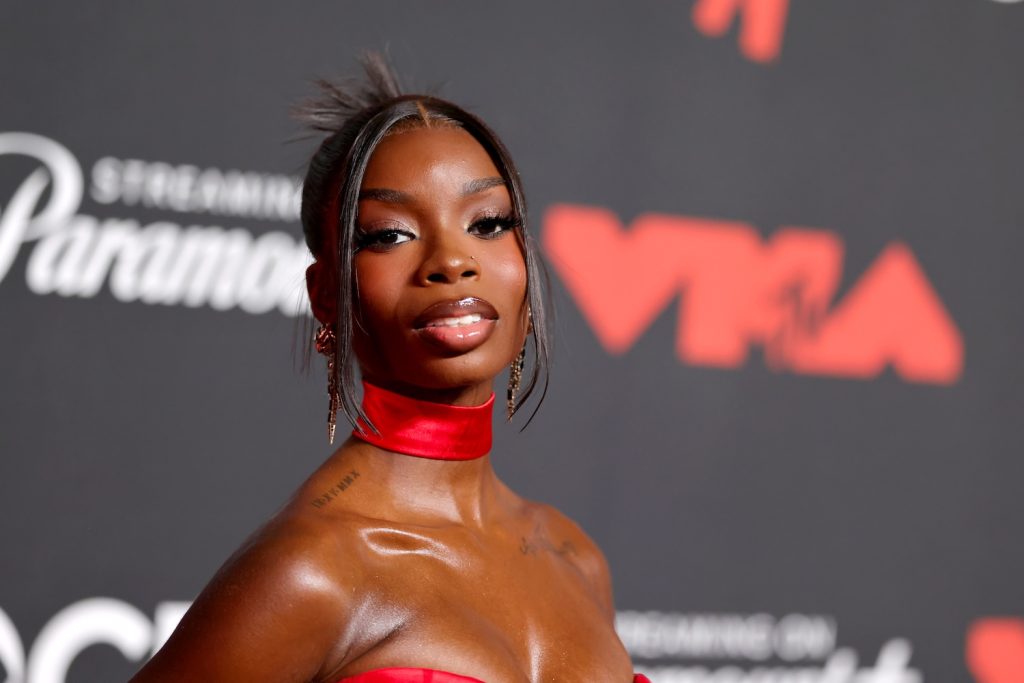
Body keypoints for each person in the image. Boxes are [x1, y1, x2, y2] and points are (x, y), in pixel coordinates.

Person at [129, 53, 648, 683]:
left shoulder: (576, 558)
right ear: (327, 295)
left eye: (487, 223)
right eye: (391, 235)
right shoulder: (311, 570)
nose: (452, 261)